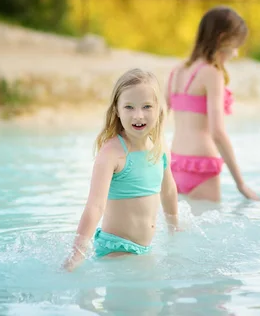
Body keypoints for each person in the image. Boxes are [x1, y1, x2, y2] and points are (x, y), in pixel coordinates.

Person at [64, 68, 179, 272]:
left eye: (146, 107)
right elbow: (95, 206)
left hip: (144, 249)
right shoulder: (112, 153)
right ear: (116, 110)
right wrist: (78, 252)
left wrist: (174, 227)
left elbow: (168, 191)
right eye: (129, 107)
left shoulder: (160, 147)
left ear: (158, 109)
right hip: (116, 249)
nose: (138, 115)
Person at [166, 5, 260, 202]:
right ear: (222, 38)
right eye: (235, 45)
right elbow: (217, 132)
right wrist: (240, 184)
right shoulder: (211, 73)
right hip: (202, 165)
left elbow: (157, 120)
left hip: (175, 163)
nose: (235, 53)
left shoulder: (177, 72)